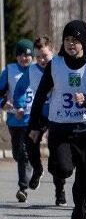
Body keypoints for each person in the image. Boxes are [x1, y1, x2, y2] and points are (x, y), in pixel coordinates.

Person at [28, 20, 86, 219]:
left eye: (76, 40)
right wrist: (35, 125)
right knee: (62, 169)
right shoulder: (55, 64)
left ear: (83, 42)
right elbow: (41, 95)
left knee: (85, 177)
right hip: (60, 126)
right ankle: (62, 177)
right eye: (67, 40)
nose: (71, 44)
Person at [12, 37, 53, 201]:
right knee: (29, 143)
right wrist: (20, 106)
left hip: (59, 114)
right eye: (39, 57)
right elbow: (20, 89)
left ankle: (60, 183)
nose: (42, 60)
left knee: (57, 151)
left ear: (52, 52)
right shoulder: (32, 71)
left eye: (45, 56)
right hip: (41, 112)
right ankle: (38, 169)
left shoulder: (59, 67)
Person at [1, 39, 34, 202]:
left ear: (32, 57)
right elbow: (0, 92)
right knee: (17, 153)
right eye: (21, 55)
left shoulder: (37, 70)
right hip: (14, 119)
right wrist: (3, 103)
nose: (24, 59)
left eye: (27, 55)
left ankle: (23, 187)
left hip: (32, 119)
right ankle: (29, 169)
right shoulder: (9, 70)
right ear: (16, 57)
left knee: (24, 152)